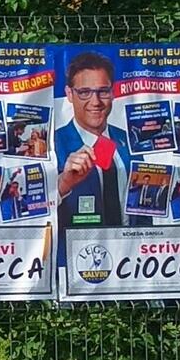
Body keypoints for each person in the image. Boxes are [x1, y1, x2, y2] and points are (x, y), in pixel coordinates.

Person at [56, 49, 129, 230]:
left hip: (131, 253)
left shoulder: (129, 141)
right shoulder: (53, 144)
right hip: (75, 254)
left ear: (113, 93)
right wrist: (63, 184)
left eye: (103, 91)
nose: (95, 101)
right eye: (84, 92)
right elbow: (31, 210)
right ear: (69, 94)